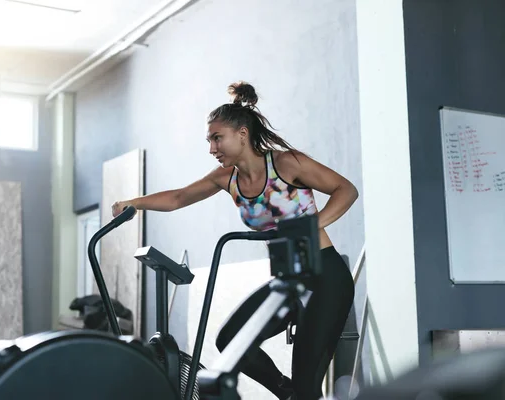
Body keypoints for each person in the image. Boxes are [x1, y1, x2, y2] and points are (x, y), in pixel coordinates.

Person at [112, 81, 358, 400]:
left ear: (242, 134)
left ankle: (299, 391)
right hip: (288, 279)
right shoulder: (227, 179)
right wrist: (134, 202)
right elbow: (178, 197)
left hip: (326, 275)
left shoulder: (285, 164)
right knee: (231, 339)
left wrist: (311, 226)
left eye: (217, 138)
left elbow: (346, 190)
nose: (212, 148)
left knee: (309, 386)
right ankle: (286, 391)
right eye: (210, 140)